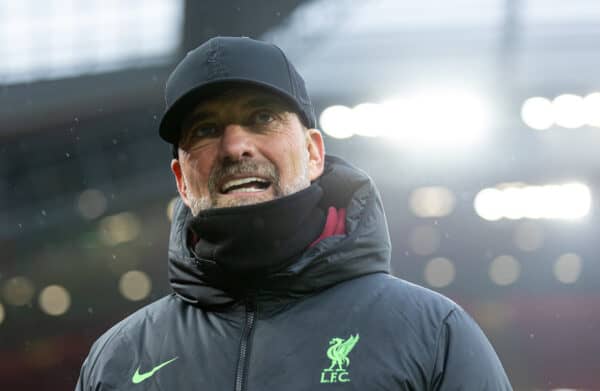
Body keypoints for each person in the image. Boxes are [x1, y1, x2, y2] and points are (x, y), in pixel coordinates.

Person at [75, 36, 512, 390]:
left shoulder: (433, 334)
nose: (235, 146)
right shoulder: (118, 359)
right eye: (206, 130)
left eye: (262, 118)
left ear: (313, 153)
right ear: (181, 180)